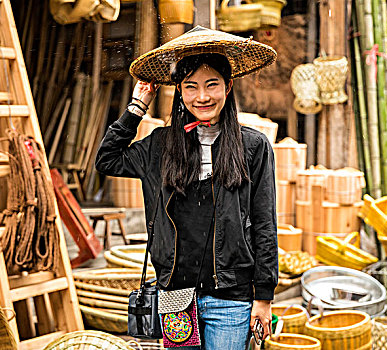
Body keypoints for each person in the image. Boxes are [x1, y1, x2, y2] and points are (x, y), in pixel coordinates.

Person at [95, 26, 278, 349]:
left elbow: (265, 224)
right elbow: (107, 160)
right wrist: (138, 106)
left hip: (231, 297)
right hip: (175, 296)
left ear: (228, 86)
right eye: (191, 87)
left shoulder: (253, 147)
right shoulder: (159, 146)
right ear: (179, 90)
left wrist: (263, 296)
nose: (202, 96)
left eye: (212, 85)